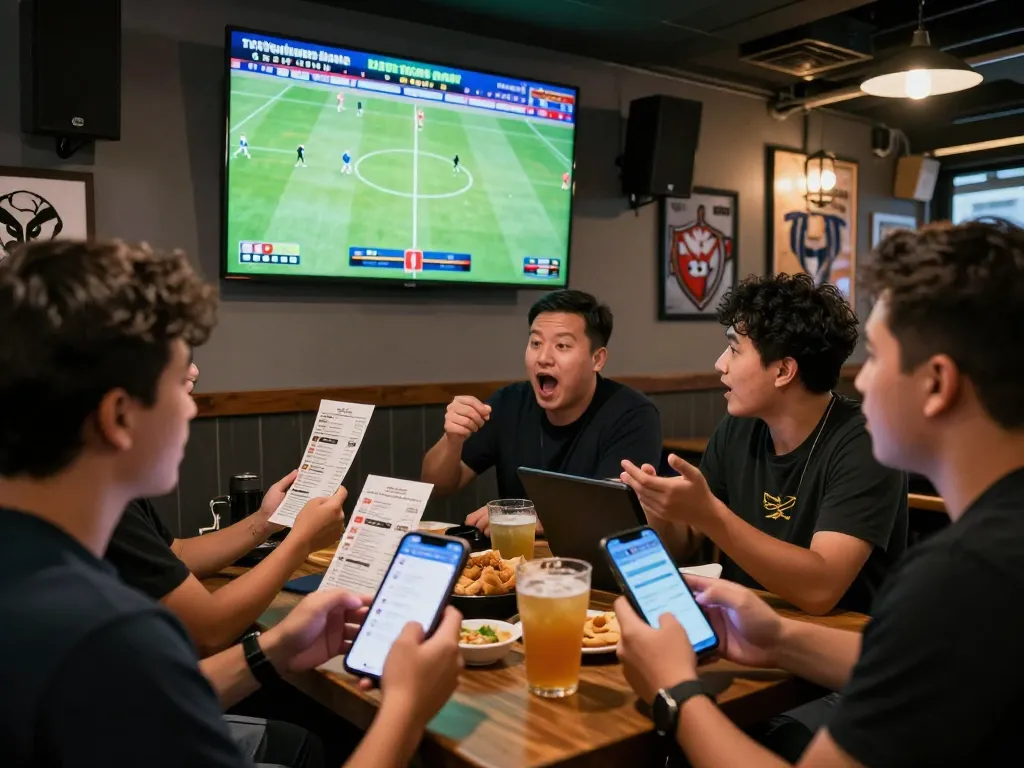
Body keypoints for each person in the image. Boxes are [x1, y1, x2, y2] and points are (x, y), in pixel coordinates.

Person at [0, 239, 464, 767]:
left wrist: (275, 649)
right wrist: (406, 706)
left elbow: (147, 699)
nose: (191, 410)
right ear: (119, 417)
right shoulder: (108, 632)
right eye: (181, 385)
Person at [614, 219, 1024, 767]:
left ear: (937, 384)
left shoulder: (960, 576)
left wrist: (674, 692)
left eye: (876, 357)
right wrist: (780, 638)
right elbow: (923, 662)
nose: (862, 380)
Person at [621, 273, 907, 615]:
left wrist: (711, 514)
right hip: (747, 626)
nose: (720, 364)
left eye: (733, 349)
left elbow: (822, 588)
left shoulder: (866, 441)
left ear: (784, 371)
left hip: (844, 647)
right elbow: (684, 545)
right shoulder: (738, 427)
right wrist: (659, 511)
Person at [105, 355, 346, 656]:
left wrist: (268, 520)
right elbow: (207, 631)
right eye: (177, 353)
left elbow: (176, 555)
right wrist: (300, 541)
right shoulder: (96, 500)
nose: (194, 371)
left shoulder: (107, 481)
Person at [422, 289, 662, 534]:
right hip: (518, 560)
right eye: (536, 343)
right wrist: (452, 439)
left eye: (562, 345)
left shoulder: (633, 415)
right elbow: (436, 485)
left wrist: (529, 517)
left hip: (596, 561)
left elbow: (615, 511)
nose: (544, 358)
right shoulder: (509, 403)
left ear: (597, 359)